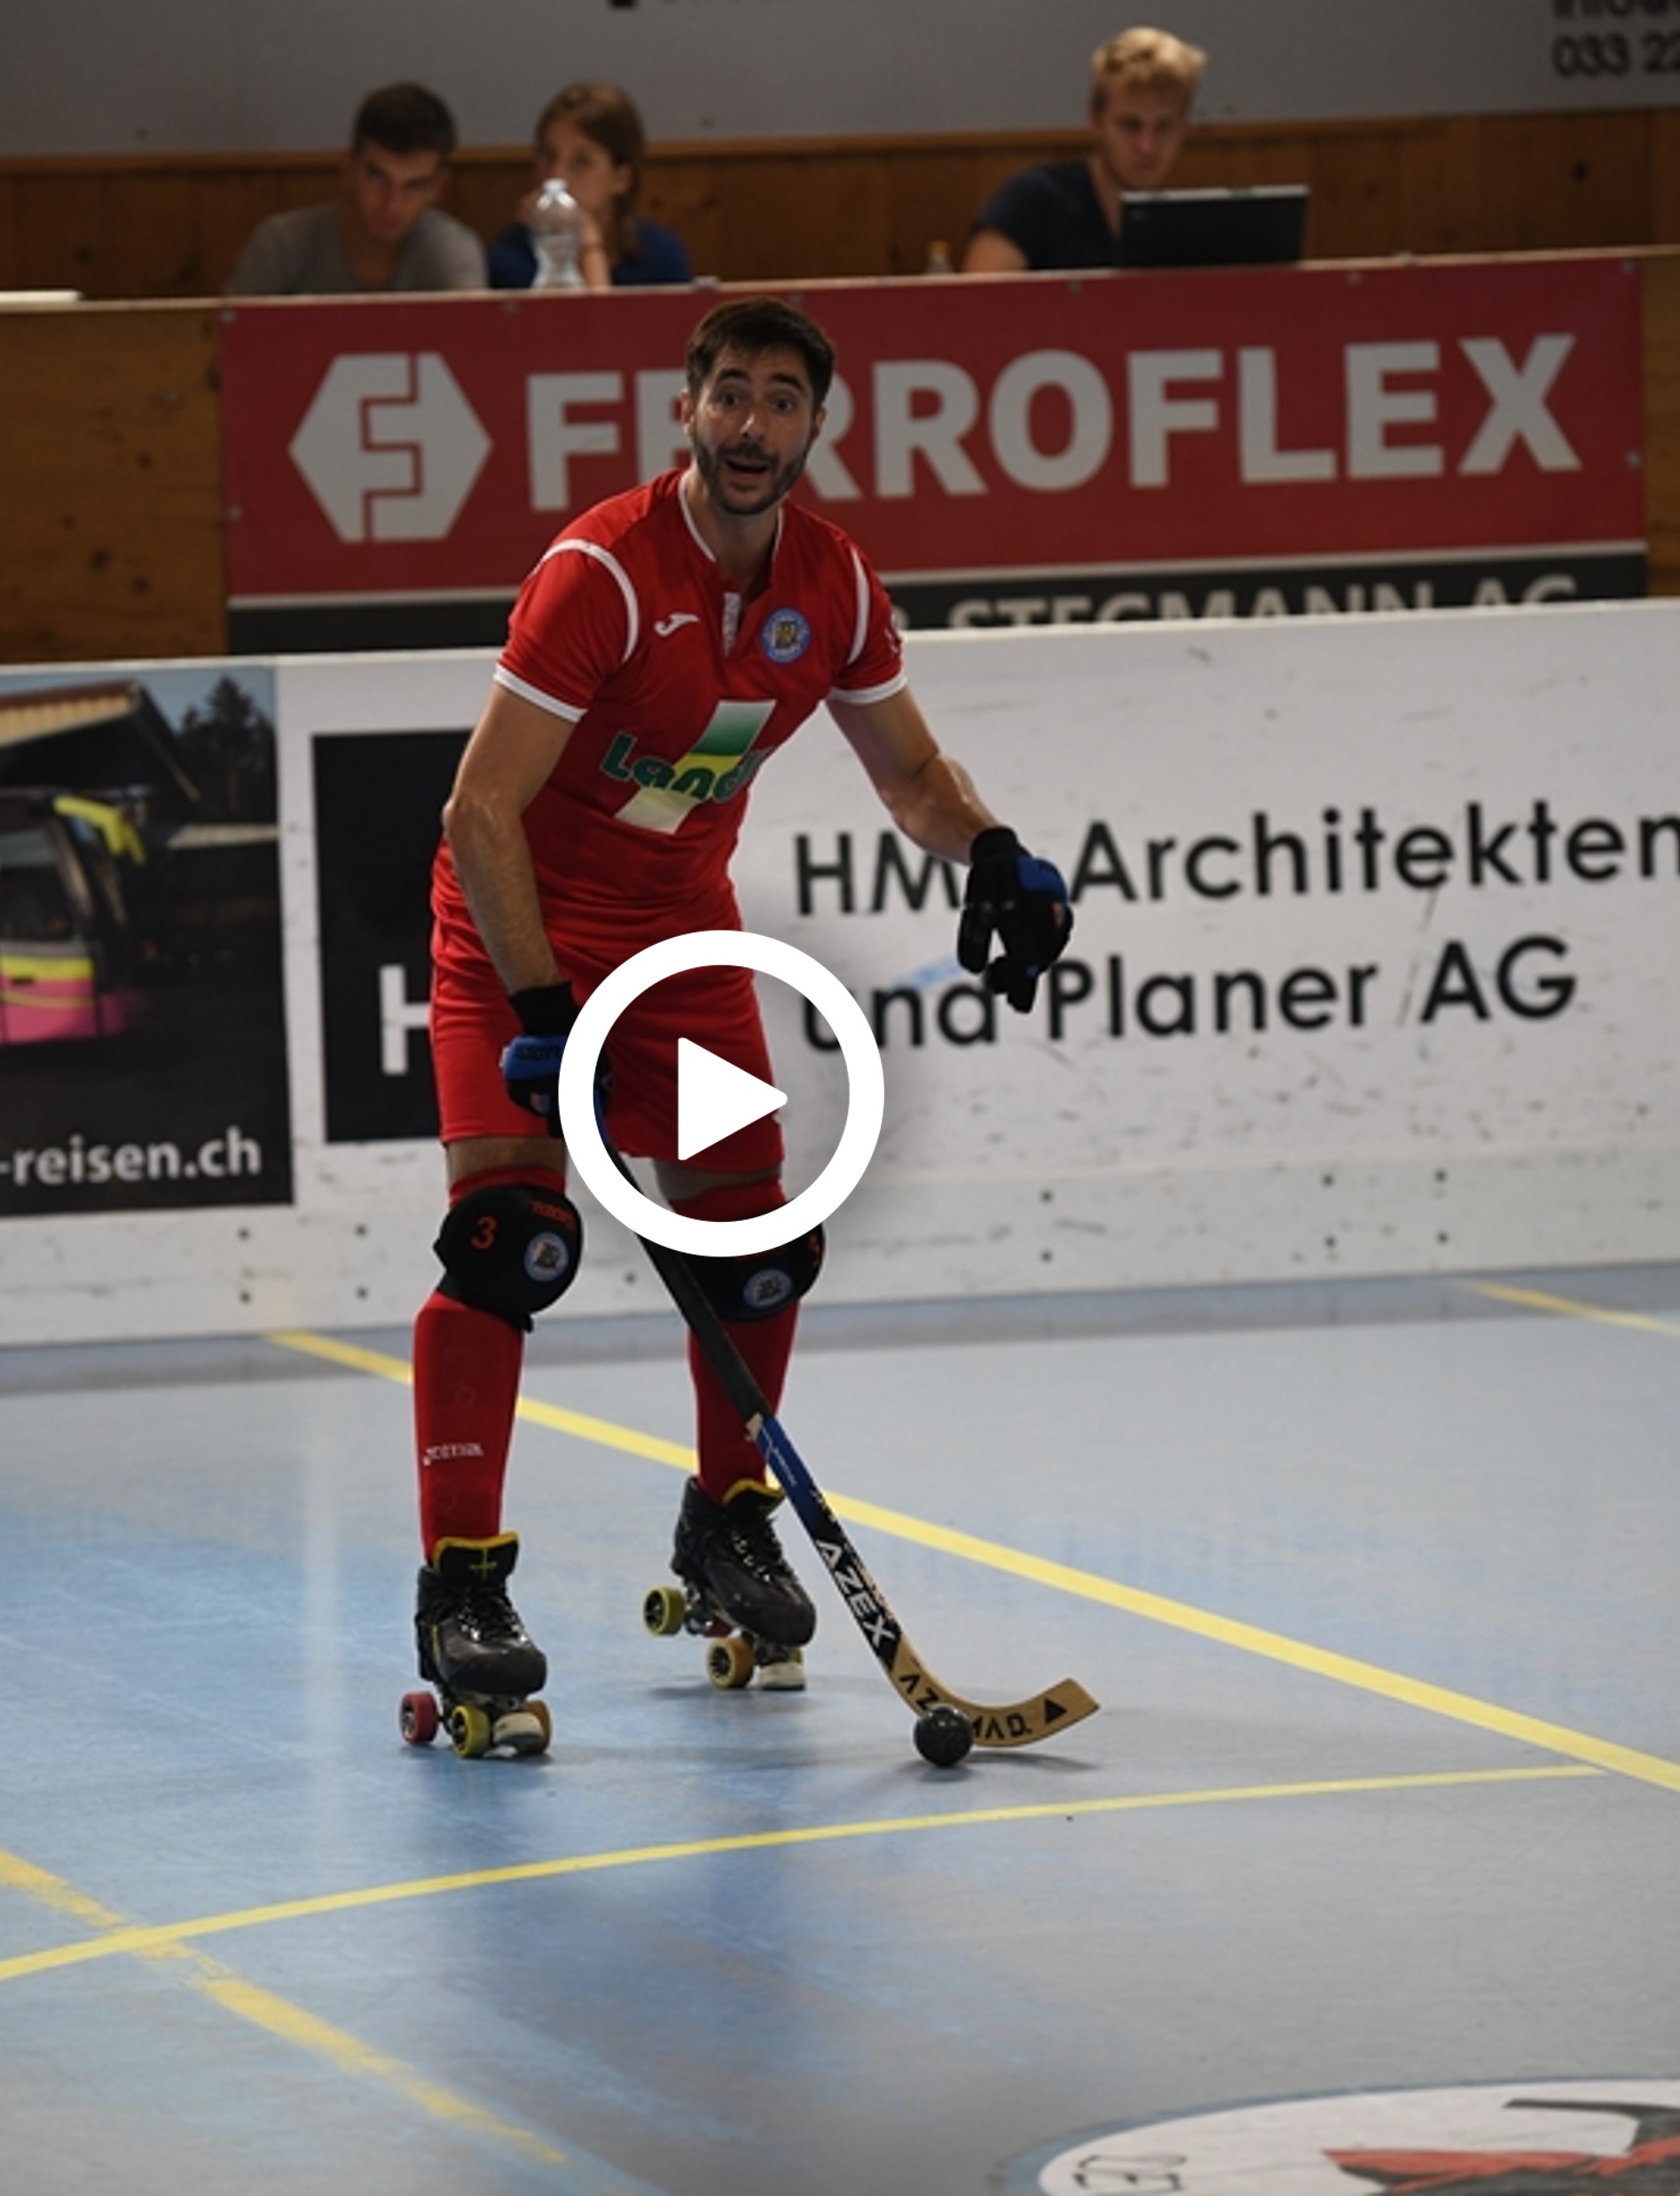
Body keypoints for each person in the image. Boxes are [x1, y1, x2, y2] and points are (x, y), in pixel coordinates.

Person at [407, 295, 1075, 1745]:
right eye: (728, 395)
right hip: (517, 933)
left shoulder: (831, 585)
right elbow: (479, 810)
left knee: (761, 1249)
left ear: (815, 425)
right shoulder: (602, 573)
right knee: (511, 1243)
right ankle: (462, 1585)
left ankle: (726, 1520)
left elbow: (911, 777)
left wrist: (993, 850)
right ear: (687, 409)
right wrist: (543, 1008)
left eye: (780, 399)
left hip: (679, 947)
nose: (751, 424)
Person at [962, 26, 1207, 275]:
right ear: (1096, 120)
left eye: (1165, 128)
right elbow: (979, 296)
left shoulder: (1187, 228)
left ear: (1184, 128)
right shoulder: (1033, 200)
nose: (1147, 146)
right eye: (1130, 126)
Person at [224, 82, 486, 296]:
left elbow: (474, 339)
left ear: (439, 187)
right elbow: (230, 341)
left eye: (414, 186)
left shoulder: (452, 252)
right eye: (377, 178)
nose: (392, 203)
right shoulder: (282, 245)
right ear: (348, 169)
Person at [486, 81, 693, 290]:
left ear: (621, 178)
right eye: (548, 156)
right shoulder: (512, 252)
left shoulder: (660, 253)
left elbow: (605, 312)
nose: (556, 176)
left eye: (581, 162)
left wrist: (588, 243)